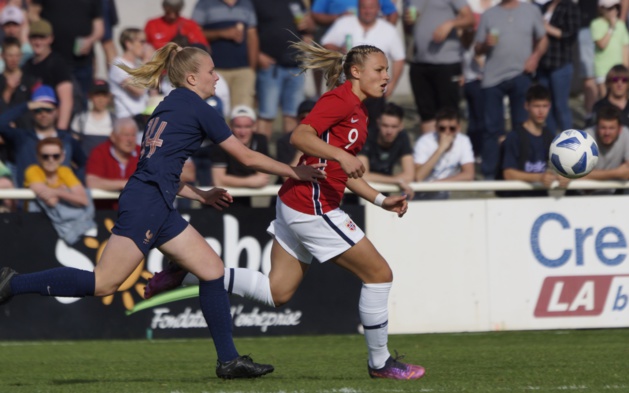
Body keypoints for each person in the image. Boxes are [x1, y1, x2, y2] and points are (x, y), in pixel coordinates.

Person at [0, 42, 326, 379]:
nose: (216, 78)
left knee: (212, 269)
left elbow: (160, 167)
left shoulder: (166, 106)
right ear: (190, 77)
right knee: (104, 283)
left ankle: (228, 361)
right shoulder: (199, 109)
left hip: (154, 200)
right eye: (211, 72)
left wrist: (199, 195)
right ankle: (13, 284)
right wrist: (294, 171)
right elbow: (245, 156)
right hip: (148, 204)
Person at [144, 41, 426, 380]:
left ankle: (185, 274)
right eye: (379, 70)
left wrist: (382, 200)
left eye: (386, 70)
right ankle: (380, 363)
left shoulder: (360, 110)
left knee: (276, 292)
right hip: (312, 204)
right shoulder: (340, 99)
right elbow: (300, 136)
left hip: (298, 201)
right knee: (379, 275)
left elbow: (341, 172)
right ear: (356, 72)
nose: (386, 76)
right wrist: (341, 156)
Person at [474, 0, 548, 179]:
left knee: (521, 127)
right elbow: (477, 48)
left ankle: (521, 170)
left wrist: (535, 58)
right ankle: (490, 175)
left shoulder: (531, 10)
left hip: (521, 74)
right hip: (493, 78)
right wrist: (485, 44)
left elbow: (543, 39)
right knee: (491, 129)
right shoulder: (489, 14)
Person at [321, 0, 405, 132]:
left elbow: (399, 58)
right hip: (347, 88)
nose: (367, 11)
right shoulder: (345, 23)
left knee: (372, 130)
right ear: (358, 8)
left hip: (376, 92)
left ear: (378, 8)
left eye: (371, 7)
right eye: (364, 7)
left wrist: (393, 83)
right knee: (343, 128)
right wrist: (339, 48)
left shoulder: (388, 30)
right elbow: (326, 43)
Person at [404, 0, 474, 134]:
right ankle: (431, 152)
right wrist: (408, 20)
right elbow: (409, 25)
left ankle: (449, 152)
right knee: (426, 114)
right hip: (419, 61)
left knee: (449, 114)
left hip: (447, 63)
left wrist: (451, 23)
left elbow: (469, 19)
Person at [0, 84, 86, 188]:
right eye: (38, 110)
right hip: (28, 199)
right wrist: (26, 106)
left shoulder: (67, 139)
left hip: (62, 200)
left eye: (48, 109)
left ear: (57, 111)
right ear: (32, 113)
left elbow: (85, 164)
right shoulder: (22, 137)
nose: (43, 114)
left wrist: (74, 181)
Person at [252, 0, 313, 139]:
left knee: (292, 115)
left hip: (296, 65)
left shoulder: (297, 2)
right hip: (271, 66)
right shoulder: (257, 2)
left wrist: (309, 28)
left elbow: (307, 29)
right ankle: (262, 153)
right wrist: (258, 55)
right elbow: (249, 30)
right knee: (266, 115)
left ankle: (287, 156)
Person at [497, 84, 568, 197]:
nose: (541, 111)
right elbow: (508, 174)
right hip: (516, 199)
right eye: (536, 106)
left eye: (545, 106)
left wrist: (565, 177)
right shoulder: (514, 137)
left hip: (540, 198)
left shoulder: (549, 136)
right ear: (527, 106)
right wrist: (539, 177)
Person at [24, 137, 96, 245]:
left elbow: (84, 200)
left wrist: (58, 192)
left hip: (60, 229)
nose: (51, 160)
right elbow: (51, 201)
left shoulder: (65, 171)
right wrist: (64, 191)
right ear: (38, 157)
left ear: (62, 157)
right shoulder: (32, 170)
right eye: (45, 156)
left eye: (55, 156)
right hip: (35, 225)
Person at [29, 0, 104, 102]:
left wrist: (90, 40)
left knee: (81, 102)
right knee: (50, 102)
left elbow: (99, 27)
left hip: (81, 62)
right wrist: (44, 36)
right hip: (52, 60)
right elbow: (33, 13)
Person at [192, 0, 259, 109]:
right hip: (214, 71)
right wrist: (221, 33)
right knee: (216, 111)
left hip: (243, 71)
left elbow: (253, 37)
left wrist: (252, 70)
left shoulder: (247, 3)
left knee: (242, 113)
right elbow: (194, 32)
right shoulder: (204, 3)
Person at [210, 105, 271, 207]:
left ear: (255, 126)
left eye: (247, 126)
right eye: (238, 126)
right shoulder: (219, 143)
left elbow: (262, 178)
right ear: (230, 126)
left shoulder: (261, 141)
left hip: (245, 197)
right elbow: (218, 180)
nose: (243, 132)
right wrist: (251, 181)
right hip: (221, 200)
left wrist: (230, 180)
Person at [21, 19, 74, 130]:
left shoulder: (58, 64)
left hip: (52, 128)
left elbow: (66, 101)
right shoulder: (26, 65)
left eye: (42, 38)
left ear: (50, 39)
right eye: (34, 38)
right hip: (31, 128)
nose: (38, 42)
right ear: (29, 39)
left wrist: (60, 131)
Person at [537, 0, 580, 134]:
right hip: (543, 64)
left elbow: (571, 35)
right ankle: (551, 142)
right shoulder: (545, 6)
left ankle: (570, 141)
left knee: (561, 106)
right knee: (546, 107)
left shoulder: (570, 7)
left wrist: (548, 28)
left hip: (560, 64)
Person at [413, 107, 475, 199]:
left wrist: (439, 183)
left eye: (452, 129)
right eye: (442, 128)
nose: (447, 132)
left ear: (458, 128)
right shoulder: (424, 142)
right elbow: (418, 177)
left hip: (442, 197)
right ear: (436, 128)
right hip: (418, 197)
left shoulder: (463, 141)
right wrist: (440, 149)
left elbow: (469, 174)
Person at [357, 102, 415, 198]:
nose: (389, 131)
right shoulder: (365, 137)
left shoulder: (403, 137)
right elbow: (363, 175)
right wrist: (397, 181)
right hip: (358, 196)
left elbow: (409, 175)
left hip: (383, 195)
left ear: (401, 126)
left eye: (394, 127)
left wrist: (391, 180)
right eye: (385, 125)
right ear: (378, 123)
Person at [85, 117, 140, 211]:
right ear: (113, 136)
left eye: (133, 135)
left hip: (136, 212)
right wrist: (125, 184)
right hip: (104, 211)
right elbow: (91, 182)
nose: (130, 140)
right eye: (126, 135)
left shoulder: (144, 154)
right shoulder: (100, 152)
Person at [109, 28, 149, 126]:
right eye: (141, 42)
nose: (145, 46)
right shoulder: (118, 65)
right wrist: (146, 63)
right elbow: (139, 90)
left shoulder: (136, 66)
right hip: (126, 120)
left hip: (140, 119)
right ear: (129, 44)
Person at [582, 105, 629, 186]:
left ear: (620, 129)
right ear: (596, 127)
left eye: (611, 128)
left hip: (614, 193)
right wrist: (617, 173)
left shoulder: (626, 134)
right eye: (603, 128)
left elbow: (627, 172)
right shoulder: (584, 138)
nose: (607, 133)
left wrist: (591, 175)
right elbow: (575, 174)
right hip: (584, 193)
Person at [591, 0, 629, 99]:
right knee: (606, 102)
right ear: (602, 9)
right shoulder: (596, 24)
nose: (613, 11)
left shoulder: (621, 25)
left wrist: (626, 70)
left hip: (618, 72)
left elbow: (625, 48)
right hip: (603, 71)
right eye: (609, 8)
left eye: (616, 7)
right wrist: (611, 28)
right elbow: (602, 44)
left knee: (621, 101)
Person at [71, 79, 115, 156]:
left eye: (104, 95)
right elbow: (73, 146)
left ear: (108, 97)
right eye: (97, 95)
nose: (101, 100)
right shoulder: (80, 119)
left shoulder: (115, 121)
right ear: (90, 96)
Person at [0, 36, 37, 129]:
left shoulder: (30, 80)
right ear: (2, 56)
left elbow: (37, 104)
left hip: (27, 130)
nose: (14, 60)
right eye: (10, 55)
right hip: (6, 131)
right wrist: (8, 91)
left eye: (17, 55)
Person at [145, 0, 209, 51]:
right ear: (164, 8)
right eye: (168, 12)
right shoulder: (152, 24)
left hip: (182, 61)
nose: (172, 16)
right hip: (158, 62)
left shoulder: (189, 24)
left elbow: (203, 47)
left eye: (176, 12)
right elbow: (144, 46)